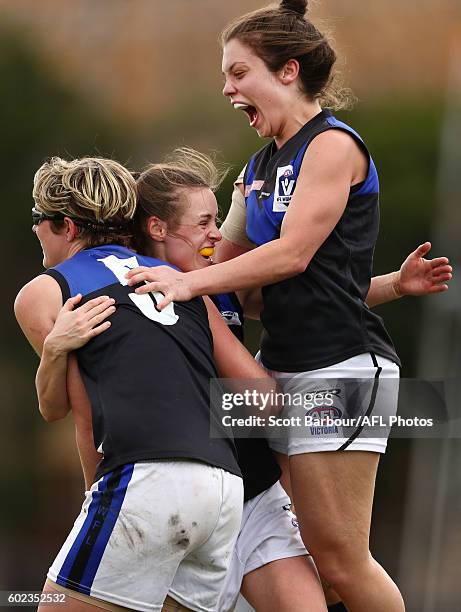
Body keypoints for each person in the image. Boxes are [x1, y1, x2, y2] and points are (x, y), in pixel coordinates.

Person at [123, 3, 452, 611]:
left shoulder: (330, 146)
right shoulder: (257, 168)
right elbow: (231, 276)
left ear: (288, 71)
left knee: (341, 562)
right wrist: (146, 258)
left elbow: (293, 256)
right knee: (278, 542)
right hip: (279, 370)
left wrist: (186, 284)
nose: (227, 87)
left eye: (238, 72)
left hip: (340, 369)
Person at [14, 155, 274, 612]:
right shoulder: (178, 280)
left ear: (68, 227)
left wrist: (55, 350)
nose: (34, 230)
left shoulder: (47, 291)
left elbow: (68, 412)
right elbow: (263, 397)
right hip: (224, 491)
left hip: (145, 480)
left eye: (39, 220)